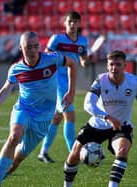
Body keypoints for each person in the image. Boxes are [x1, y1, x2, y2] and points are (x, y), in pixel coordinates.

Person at [0, 31, 77, 187]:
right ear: (20, 47)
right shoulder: (16, 69)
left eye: (35, 46)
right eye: (28, 47)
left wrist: (71, 91)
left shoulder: (52, 59)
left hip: (44, 119)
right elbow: (6, 89)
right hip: (24, 110)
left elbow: (72, 64)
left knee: (17, 160)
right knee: (14, 136)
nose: (32, 51)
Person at [63, 50, 137, 187]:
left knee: (122, 150)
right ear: (107, 65)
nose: (114, 68)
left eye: (118, 64)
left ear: (125, 66)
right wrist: (107, 117)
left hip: (121, 126)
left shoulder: (134, 83)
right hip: (97, 124)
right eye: (111, 64)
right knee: (74, 153)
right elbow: (88, 104)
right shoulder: (100, 81)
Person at [36, 11, 90, 163]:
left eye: (75, 22)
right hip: (57, 81)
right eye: (70, 22)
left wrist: (85, 61)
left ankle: (43, 152)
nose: (72, 25)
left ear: (79, 24)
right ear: (65, 23)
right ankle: (74, 153)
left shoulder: (83, 41)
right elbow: (46, 56)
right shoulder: (57, 39)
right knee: (70, 116)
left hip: (70, 81)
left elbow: (83, 58)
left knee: (57, 118)